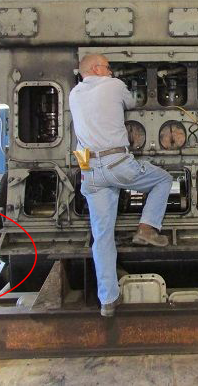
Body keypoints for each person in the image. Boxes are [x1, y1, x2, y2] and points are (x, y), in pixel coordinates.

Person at [69, 53, 173, 317]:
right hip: (117, 164)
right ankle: (147, 228)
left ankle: (108, 300)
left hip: (90, 171)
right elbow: (131, 102)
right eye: (107, 67)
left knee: (102, 237)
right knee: (163, 179)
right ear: (96, 68)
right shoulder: (113, 85)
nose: (111, 70)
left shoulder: (74, 94)